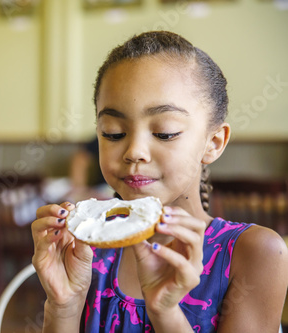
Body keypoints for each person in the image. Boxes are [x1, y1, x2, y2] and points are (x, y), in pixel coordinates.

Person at [31, 31, 288, 332]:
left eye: (164, 132)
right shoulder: (86, 247)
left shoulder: (254, 253)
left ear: (214, 142)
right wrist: (64, 305)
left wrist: (166, 313)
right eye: (113, 132)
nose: (134, 151)